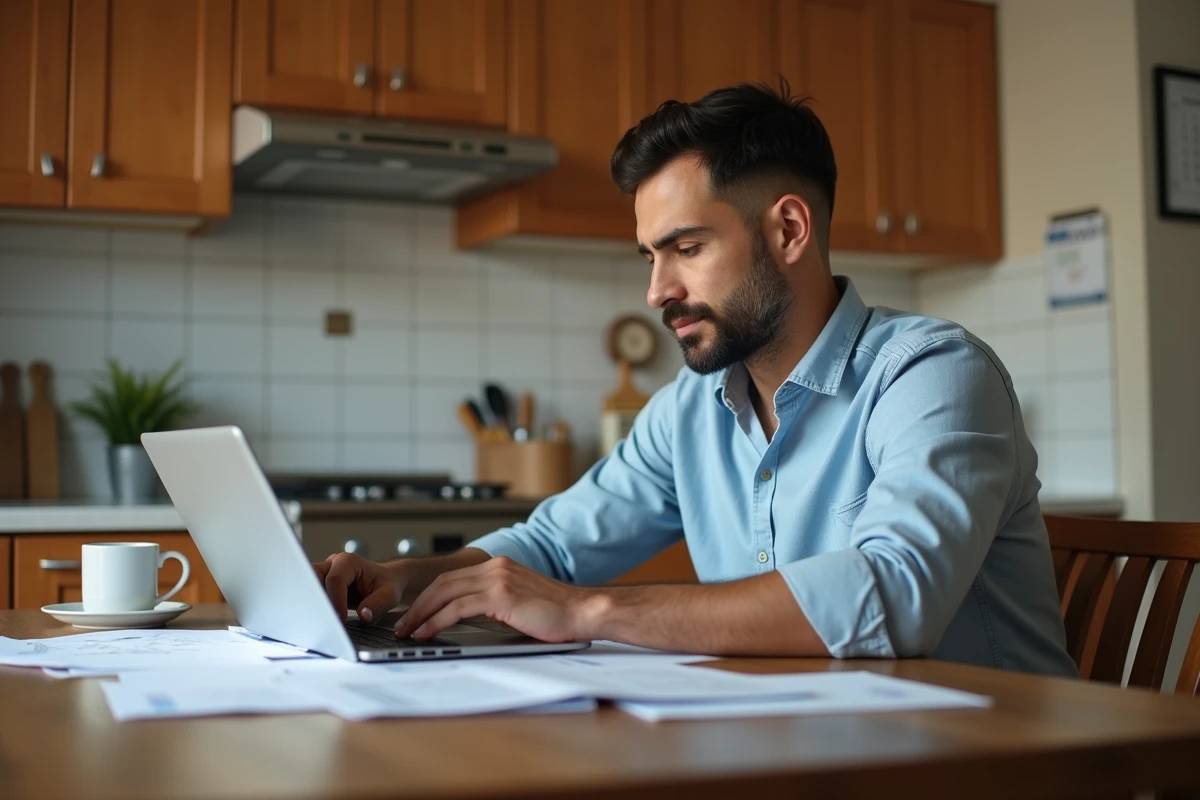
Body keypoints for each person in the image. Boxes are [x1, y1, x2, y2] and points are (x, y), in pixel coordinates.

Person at [315, 82, 1077, 676]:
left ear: (788, 230)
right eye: (650, 257)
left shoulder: (932, 373)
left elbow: (893, 598)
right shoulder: (690, 409)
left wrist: (588, 612)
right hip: (812, 746)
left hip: (994, 758)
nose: (657, 291)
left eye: (686, 248)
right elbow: (555, 545)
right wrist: (404, 579)